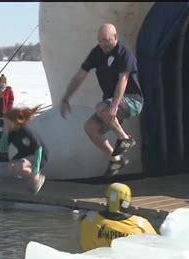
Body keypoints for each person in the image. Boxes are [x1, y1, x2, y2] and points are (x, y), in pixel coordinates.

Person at [60, 23, 143, 177]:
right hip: (110, 103)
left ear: (116, 38)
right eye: (99, 41)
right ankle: (116, 158)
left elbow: (123, 80)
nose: (103, 44)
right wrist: (66, 98)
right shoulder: (97, 53)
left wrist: (114, 105)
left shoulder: (124, 53)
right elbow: (80, 76)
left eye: (106, 40)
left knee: (101, 107)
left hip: (132, 100)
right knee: (90, 127)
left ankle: (125, 139)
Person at [79, 182, 157, 251]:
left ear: (107, 199)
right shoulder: (140, 224)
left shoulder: (89, 219)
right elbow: (157, 246)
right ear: (127, 201)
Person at [0, 106, 48, 194]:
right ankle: (32, 180)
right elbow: (3, 149)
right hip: (24, 154)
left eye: (7, 122)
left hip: (39, 155)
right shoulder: (10, 132)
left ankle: (37, 178)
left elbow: (38, 148)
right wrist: (5, 134)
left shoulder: (26, 131)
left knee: (20, 166)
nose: (5, 125)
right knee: (12, 167)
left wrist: (36, 168)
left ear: (14, 122)